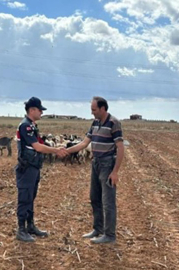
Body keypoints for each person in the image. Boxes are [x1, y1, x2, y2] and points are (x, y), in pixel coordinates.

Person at [67, 96, 124, 244]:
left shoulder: (114, 123)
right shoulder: (95, 122)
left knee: (108, 201)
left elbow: (120, 147)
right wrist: (66, 150)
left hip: (107, 165)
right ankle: (97, 229)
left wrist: (115, 171)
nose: (92, 112)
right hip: (96, 163)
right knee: (95, 198)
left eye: (94, 109)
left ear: (103, 108)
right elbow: (85, 143)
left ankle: (110, 235)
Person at [15, 97, 68, 242]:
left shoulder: (32, 126)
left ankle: (30, 226)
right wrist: (55, 150)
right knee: (25, 197)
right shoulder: (25, 126)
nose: (41, 113)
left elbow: (38, 145)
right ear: (32, 110)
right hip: (27, 168)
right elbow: (37, 147)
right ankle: (21, 230)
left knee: (31, 197)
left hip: (34, 166)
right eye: (40, 110)